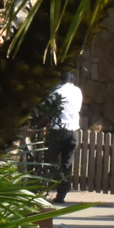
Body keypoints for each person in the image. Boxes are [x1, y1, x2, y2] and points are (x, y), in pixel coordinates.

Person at [47, 71, 82, 203]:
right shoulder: (78, 91)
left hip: (58, 129)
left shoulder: (56, 90)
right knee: (67, 163)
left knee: (51, 160)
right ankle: (61, 195)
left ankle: (64, 184)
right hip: (73, 131)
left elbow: (49, 107)